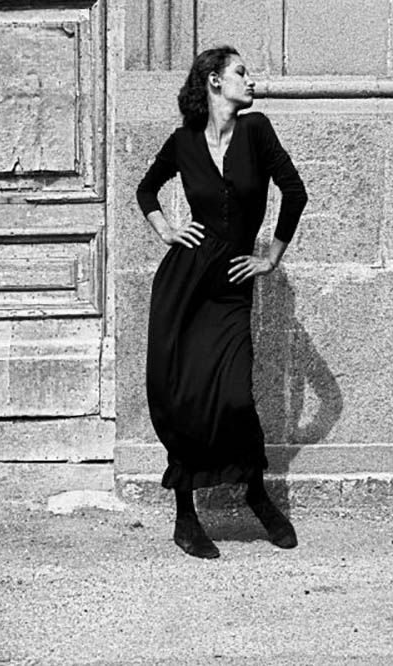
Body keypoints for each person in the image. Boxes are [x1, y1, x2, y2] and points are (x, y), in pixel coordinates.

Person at [135, 46, 307, 559]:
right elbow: (146, 190)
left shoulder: (257, 130)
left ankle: (256, 493)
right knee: (182, 397)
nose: (251, 81)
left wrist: (270, 257)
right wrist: (167, 230)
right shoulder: (184, 141)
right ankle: (185, 517)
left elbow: (294, 192)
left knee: (234, 395)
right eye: (241, 73)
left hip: (231, 285)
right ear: (214, 81)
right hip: (183, 285)